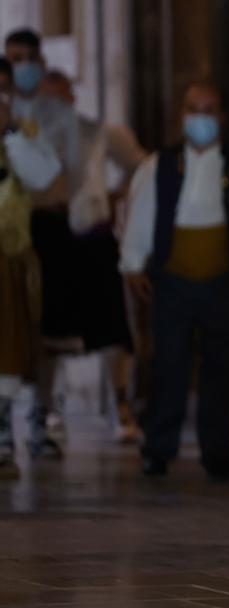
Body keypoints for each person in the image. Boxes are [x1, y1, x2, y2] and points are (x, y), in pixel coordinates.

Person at [120, 81, 229, 481]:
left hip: (224, 283)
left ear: (222, 118)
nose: (201, 117)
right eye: (194, 108)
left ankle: (218, 450)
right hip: (173, 283)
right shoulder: (157, 166)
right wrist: (132, 263)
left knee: (222, 369)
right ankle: (158, 447)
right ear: (182, 115)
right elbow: (140, 214)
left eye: (209, 109)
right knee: (169, 366)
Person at [42, 69, 147, 443]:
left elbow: (140, 166)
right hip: (52, 238)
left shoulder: (99, 133)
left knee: (111, 327)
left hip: (94, 236)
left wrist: (116, 197)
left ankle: (121, 404)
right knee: (52, 330)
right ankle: (51, 408)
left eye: (60, 96)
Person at [5, 28, 82, 459]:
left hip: (47, 225)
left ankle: (40, 417)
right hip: (6, 228)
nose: (23, 67)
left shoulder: (58, 113)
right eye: (14, 59)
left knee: (48, 328)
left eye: (29, 58)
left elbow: (61, 171)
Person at [0, 57, 64, 476]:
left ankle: (3, 439)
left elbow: (44, 175)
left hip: (6, 257)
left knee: (6, 350)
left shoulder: (23, 134)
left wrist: (9, 134)